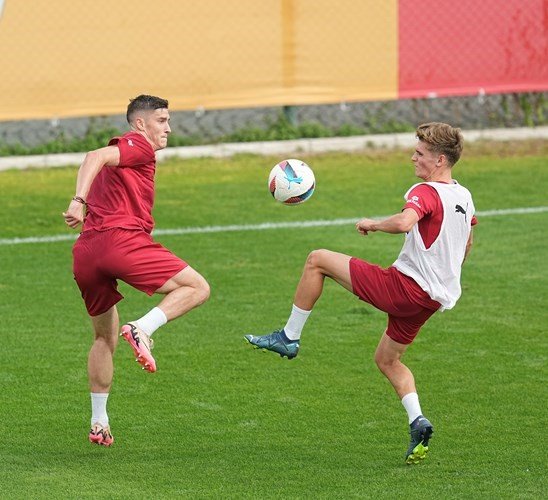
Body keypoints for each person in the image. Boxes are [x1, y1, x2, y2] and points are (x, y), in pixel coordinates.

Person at [245, 122, 476, 464]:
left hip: (404, 289)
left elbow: (403, 222)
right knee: (387, 360)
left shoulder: (426, 191)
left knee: (317, 260)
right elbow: (466, 243)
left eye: (420, 153)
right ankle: (418, 421)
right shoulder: (464, 196)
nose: (413, 157)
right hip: (429, 301)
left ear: (440, 160)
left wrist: (372, 224)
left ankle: (289, 336)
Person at [63, 95, 210, 447]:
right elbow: (94, 155)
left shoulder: (133, 151)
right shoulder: (137, 145)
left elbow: (97, 161)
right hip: (120, 242)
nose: (169, 128)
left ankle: (99, 421)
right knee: (197, 288)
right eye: (162, 120)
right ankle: (142, 329)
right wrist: (78, 200)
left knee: (103, 338)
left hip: (86, 253)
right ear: (141, 124)